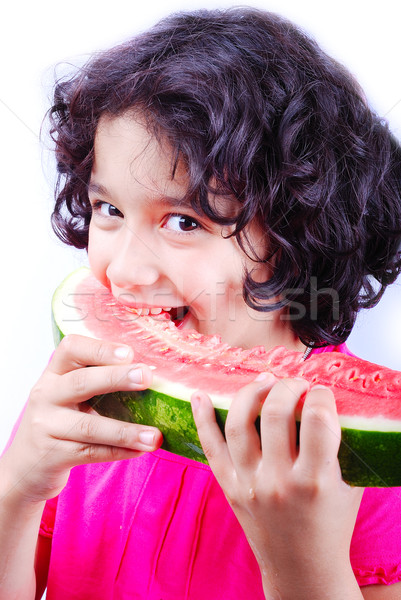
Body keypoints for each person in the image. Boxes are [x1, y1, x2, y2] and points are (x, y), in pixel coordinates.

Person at [1, 7, 401, 599]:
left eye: (184, 221)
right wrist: (15, 491)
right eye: (108, 209)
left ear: (300, 236)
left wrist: (302, 564)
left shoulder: (360, 458)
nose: (127, 271)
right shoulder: (84, 397)